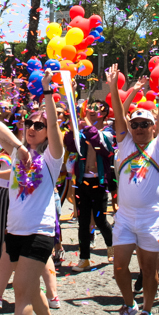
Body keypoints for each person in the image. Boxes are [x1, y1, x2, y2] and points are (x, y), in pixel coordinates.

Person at [0, 71, 64, 315]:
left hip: (39, 233)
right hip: (14, 232)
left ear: (47, 132)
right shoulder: (19, 156)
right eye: (29, 123)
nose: (33, 128)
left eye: (39, 125)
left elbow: (55, 124)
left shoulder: (53, 158)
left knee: (20, 291)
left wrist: (47, 93)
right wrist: (19, 147)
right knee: (30, 290)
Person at [107, 64, 159, 315]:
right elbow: (119, 117)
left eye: (145, 124)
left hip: (152, 218)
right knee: (120, 267)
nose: (138, 128)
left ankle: (147, 310)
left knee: (149, 270)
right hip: (125, 216)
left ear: (153, 127)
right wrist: (114, 86)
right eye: (135, 124)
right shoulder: (124, 144)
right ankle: (128, 304)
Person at [63, 99, 116, 272]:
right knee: (83, 222)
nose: (91, 110)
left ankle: (111, 247)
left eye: (96, 108)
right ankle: (84, 258)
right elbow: (70, 144)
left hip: (99, 182)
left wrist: (84, 122)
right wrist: (72, 127)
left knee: (100, 220)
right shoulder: (82, 130)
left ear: (105, 113)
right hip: (81, 182)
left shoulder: (108, 132)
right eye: (89, 108)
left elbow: (99, 144)